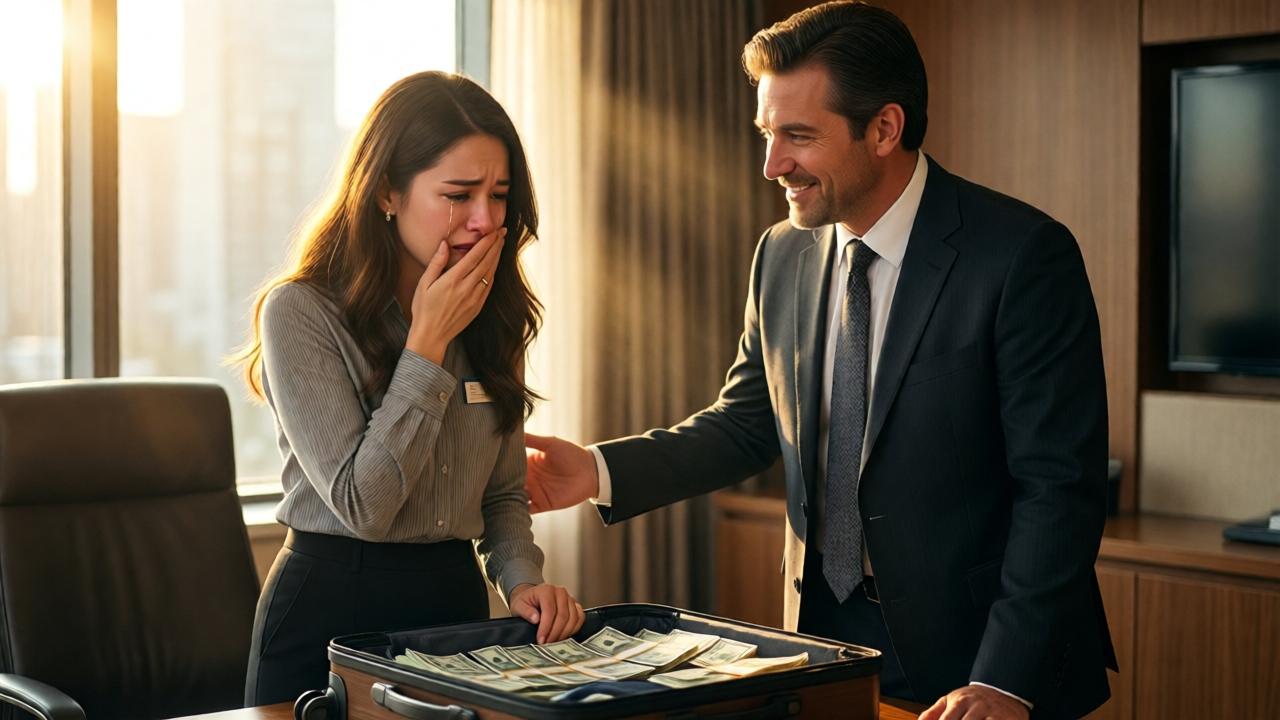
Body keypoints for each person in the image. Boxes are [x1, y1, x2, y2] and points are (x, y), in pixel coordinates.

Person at [524, 3, 1115, 718]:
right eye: (768, 133)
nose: (772, 165)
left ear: (885, 129)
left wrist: (1004, 679)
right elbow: (747, 423)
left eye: (797, 136)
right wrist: (596, 469)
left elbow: (1058, 491)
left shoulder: (1021, 256)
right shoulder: (781, 253)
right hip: (822, 640)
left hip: (980, 656)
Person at [237, 71, 584, 706]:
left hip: (452, 608)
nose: (483, 220)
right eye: (458, 194)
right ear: (387, 193)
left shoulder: (493, 315)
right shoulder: (301, 311)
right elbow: (363, 506)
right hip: (330, 609)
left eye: (499, 195)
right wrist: (426, 345)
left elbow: (503, 492)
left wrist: (521, 579)